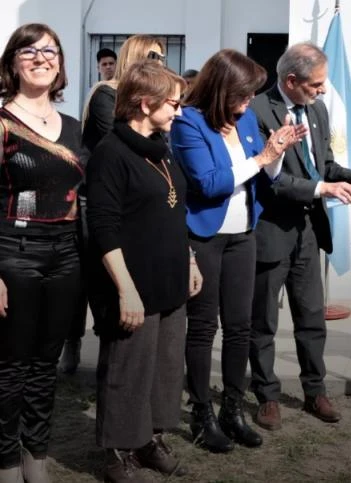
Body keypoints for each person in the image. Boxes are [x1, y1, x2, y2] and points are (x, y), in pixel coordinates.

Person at [248, 42, 351, 430]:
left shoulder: (316, 109)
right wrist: (322, 190)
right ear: (291, 81)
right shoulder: (259, 112)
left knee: (312, 317)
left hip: (309, 231)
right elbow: (270, 179)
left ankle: (315, 391)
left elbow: (323, 164)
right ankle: (268, 397)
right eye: (316, 84)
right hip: (271, 232)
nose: (323, 90)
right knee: (262, 323)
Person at [170, 48, 305, 454]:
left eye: (250, 97)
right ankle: (201, 412)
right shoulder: (188, 124)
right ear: (219, 89)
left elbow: (261, 176)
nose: (248, 105)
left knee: (241, 326)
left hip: (244, 232)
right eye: (242, 96)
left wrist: (275, 155)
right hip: (206, 236)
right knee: (204, 327)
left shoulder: (244, 119)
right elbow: (209, 184)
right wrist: (262, 157)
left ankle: (232, 407)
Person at [86, 60, 202, 483]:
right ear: (144, 103)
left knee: (165, 369)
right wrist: (125, 291)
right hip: (132, 284)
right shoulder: (111, 154)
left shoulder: (162, 148)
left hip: (169, 280)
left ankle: (149, 439)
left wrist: (188, 260)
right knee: (128, 371)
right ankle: (119, 452)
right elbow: (103, 229)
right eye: (172, 103)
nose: (179, 111)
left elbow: (175, 211)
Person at [0, 23, 84, 483]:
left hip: (65, 257)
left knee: (45, 367)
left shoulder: (72, 128)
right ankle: (7, 463)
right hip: (13, 253)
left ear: (60, 62)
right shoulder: (2, 122)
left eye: (49, 50)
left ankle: (37, 458)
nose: (40, 57)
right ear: (13, 62)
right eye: (28, 51)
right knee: (11, 367)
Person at [59, 34, 167, 375]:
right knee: (90, 277)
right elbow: (125, 140)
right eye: (154, 55)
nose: (160, 61)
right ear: (135, 56)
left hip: (130, 198)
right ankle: (72, 342)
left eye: (162, 56)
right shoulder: (105, 93)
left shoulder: (149, 99)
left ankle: (114, 350)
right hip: (96, 198)